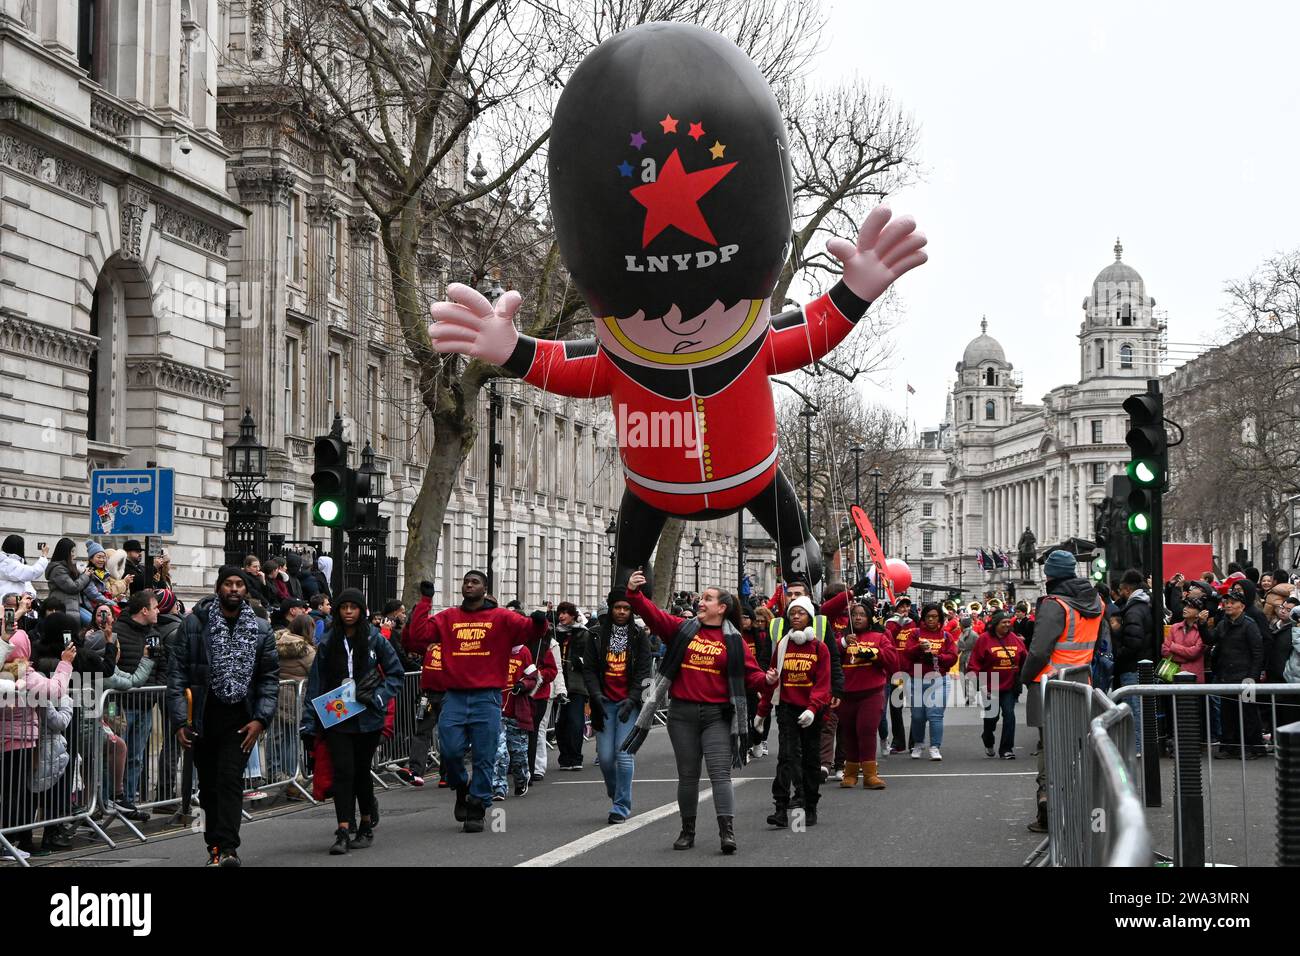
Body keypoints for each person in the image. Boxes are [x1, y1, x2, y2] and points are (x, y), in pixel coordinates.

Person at [623, 570, 767, 854]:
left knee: (719, 775)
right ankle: (687, 831)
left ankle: (727, 832)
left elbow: (753, 677)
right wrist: (634, 594)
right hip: (682, 716)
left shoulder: (734, 641)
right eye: (702, 598)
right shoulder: (681, 628)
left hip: (717, 716)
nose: (701, 602)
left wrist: (769, 680)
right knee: (688, 775)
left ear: (722, 608)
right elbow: (653, 615)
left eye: (708, 599)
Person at [168, 566, 279, 867]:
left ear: (246, 590)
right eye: (228, 584)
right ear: (218, 588)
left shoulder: (261, 629)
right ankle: (213, 847)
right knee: (209, 787)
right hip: (203, 719)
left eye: (239, 584)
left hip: (240, 721)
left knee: (230, 780)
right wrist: (180, 721)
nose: (233, 589)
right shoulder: (194, 624)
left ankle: (229, 848)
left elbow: (269, 679)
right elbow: (177, 675)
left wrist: (261, 719)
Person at [426, 570, 548, 832]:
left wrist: (540, 621)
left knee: (485, 755)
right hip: (455, 696)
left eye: (475, 582)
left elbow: (531, 631)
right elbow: (416, 637)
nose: (469, 585)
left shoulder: (502, 617)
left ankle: (477, 807)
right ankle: (462, 788)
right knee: (450, 751)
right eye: (466, 582)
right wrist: (425, 601)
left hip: (487, 697)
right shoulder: (448, 617)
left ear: (485, 589)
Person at [302, 588, 404, 853]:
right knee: (343, 772)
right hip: (336, 716)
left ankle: (366, 823)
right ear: (337, 610)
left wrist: (379, 698)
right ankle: (343, 830)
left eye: (354, 607)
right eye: (344, 607)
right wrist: (309, 721)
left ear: (361, 610)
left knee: (360, 772)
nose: (348, 611)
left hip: (368, 717)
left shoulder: (374, 639)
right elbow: (316, 683)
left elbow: (396, 672)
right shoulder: (327, 641)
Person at [1019, 550, 1103, 833]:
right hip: (1081, 684)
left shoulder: (1055, 604)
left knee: (1049, 747)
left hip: (1050, 685)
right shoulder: (1096, 602)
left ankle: (1048, 804)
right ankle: (1074, 804)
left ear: (1049, 575)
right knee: (1075, 748)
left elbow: (1039, 650)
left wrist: (1025, 675)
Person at [0, 632, 76, 861]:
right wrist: (65, 663)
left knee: (10, 793)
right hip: (20, 742)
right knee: (17, 795)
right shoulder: (24, 673)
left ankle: (14, 840)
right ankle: (10, 841)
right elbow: (55, 690)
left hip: (9, 740)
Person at [758, 594, 832, 826]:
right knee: (786, 758)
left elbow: (823, 683)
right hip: (787, 709)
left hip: (812, 711)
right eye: (792, 614)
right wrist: (761, 711)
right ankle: (780, 808)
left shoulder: (820, 648)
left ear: (809, 618)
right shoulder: (782, 645)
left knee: (811, 760)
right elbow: (772, 679)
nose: (796, 617)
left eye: (800, 613)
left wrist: (812, 708)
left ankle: (810, 807)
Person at [580, 589, 652, 823]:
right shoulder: (595, 635)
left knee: (623, 755)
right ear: (610, 609)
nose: (621, 611)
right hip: (604, 704)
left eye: (626, 608)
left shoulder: (639, 635)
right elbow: (589, 669)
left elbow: (643, 670)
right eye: (617, 607)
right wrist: (596, 694)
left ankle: (621, 806)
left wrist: (633, 698)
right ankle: (616, 792)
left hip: (627, 705)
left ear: (631, 611)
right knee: (607, 758)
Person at [836, 601, 895, 789]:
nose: (858, 617)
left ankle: (870, 774)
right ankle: (850, 773)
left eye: (862, 614)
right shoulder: (842, 638)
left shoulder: (880, 636)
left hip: (872, 692)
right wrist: (844, 643)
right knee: (849, 733)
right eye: (854, 614)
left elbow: (893, 660)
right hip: (846, 694)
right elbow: (829, 656)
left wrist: (869, 652)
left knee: (867, 730)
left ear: (869, 617)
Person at [1206, 584, 1265, 759]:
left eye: (1232, 603)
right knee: (1227, 713)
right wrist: (1202, 625)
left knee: (1248, 714)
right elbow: (1210, 639)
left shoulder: (1249, 625)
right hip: (1226, 676)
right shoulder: (1223, 624)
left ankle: (1253, 748)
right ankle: (1229, 747)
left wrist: (1252, 677)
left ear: (1242, 606)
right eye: (1227, 602)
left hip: (1246, 677)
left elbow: (1258, 652)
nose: (1228, 605)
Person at [967, 610, 1027, 759]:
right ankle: (988, 739)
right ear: (995, 625)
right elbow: (974, 664)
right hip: (990, 684)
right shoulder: (984, 639)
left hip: (1010, 685)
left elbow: (1025, 658)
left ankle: (1006, 749)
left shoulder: (1014, 638)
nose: (1007, 625)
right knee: (991, 718)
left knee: (1009, 715)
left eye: (1008, 622)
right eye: (1004, 622)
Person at [902, 603, 957, 760]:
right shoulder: (915, 634)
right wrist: (919, 647)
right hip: (916, 679)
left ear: (940, 618)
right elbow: (907, 653)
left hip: (939, 679)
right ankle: (919, 743)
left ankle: (935, 746)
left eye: (934, 616)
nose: (931, 619)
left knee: (935, 715)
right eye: (928, 617)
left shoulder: (946, 636)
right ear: (923, 618)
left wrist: (935, 655)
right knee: (918, 716)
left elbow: (952, 658)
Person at [492, 637, 539, 800]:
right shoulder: (495, 649)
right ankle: (498, 786)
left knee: (518, 752)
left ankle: (521, 779)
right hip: (497, 710)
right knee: (499, 751)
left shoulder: (523, 652)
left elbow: (533, 678)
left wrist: (524, 685)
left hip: (517, 712)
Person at [553, 601, 590, 771]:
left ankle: (576, 757)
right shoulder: (555, 634)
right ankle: (564, 757)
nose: (562, 616)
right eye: (560, 613)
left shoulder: (583, 633)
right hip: (558, 685)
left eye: (566, 612)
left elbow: (590, 658)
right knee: (561, 723)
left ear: (573, 615)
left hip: (576, 685)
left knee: (575, 722)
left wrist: (581, 661)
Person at [739, 601, 773, 758]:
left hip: (755, 680)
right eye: (741, 617)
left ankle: (759, 740)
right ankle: (745, 746)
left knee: (757, 714)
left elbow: (763, 658)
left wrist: (761, 681)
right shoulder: (735, 635)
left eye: (747, 618)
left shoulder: (760, 636)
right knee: (742, 716)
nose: (744, 621)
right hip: (739, 681)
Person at [44, 538, 94, 627]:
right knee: (91, 622)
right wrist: (85, 575)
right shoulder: (58, 569)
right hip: (65, 606)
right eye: (72, 551)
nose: (74, 554)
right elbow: (73, 587)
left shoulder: (67, 567)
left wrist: (86, 574)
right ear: (65, 552)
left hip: (73, 605)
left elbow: (79, 585)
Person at [1163, 596, 1208, 683]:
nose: (1185, 609)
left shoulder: (1202, 631)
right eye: (1185, 606)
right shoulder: (1174, 627)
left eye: (1190, 607)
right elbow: (1164, 650)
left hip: (1194, 677)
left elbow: (1194, 653)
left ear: (1198, 613)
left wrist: (1173, 646)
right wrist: (1186, 657)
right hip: (1172, 675)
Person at [0, 534, 49, 599]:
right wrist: (44, 556)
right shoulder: (7, 564)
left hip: (15, 603)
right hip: (9, 605)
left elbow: (27, 583)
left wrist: (30, 595)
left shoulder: (11, 563)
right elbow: (34, 571)